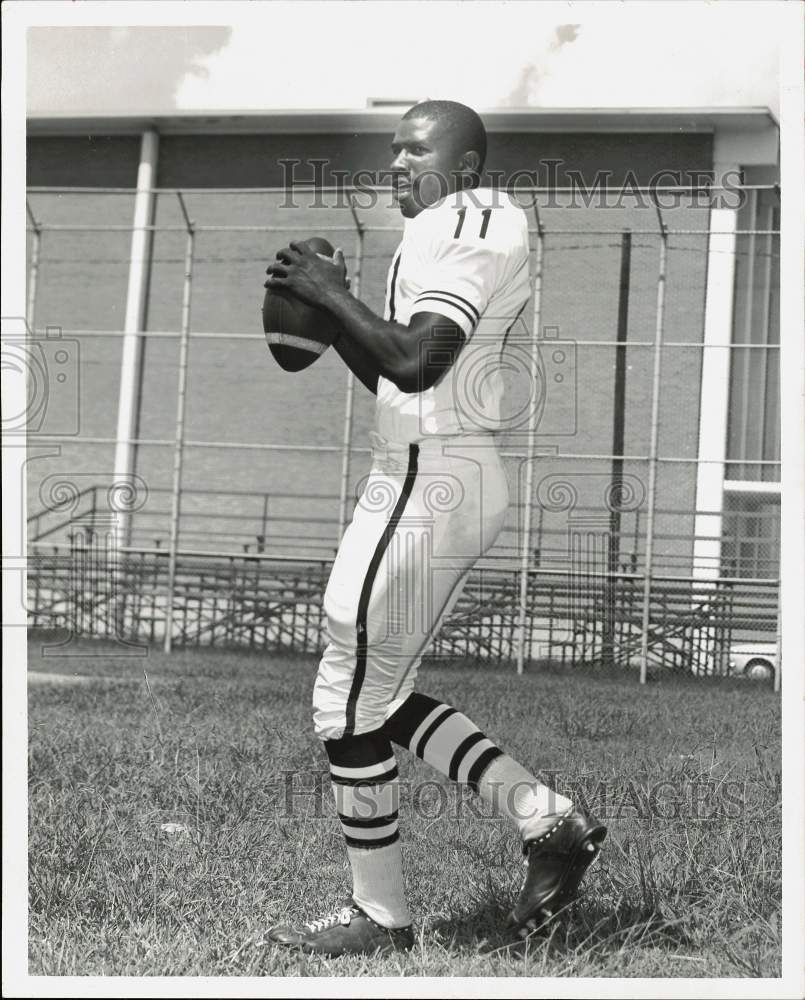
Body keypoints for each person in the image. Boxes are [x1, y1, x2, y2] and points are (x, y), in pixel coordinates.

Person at [263, 100, 606, 956]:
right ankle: (547, 819)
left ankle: (380, 915)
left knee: (344, 702)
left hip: (434, 478)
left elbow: (420, 359)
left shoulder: (474, 221)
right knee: (371, 692)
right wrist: (320, 312)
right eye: (391, 149)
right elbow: (395, 372)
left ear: (464, 159)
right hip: (414, 471)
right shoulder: (438, 229)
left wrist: (329, 292)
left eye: (414, 149)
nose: (395, 162)